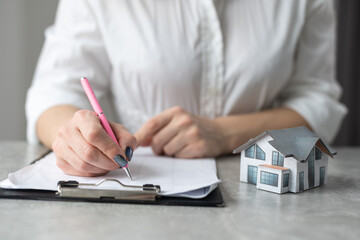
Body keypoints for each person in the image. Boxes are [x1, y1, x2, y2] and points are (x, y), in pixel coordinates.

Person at [26, 0, 347, 177]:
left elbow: (318, 100)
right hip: (145, 184)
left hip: (260, 180)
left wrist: (224, 133)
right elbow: (53, 93)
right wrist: (77, 136)